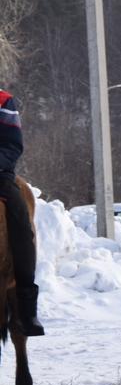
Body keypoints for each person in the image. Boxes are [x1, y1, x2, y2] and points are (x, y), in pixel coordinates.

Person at [0, 87, 43, 336]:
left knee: (20, 223)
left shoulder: (4, 100)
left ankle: (26, 309)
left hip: (0, 178)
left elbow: (12, 144)